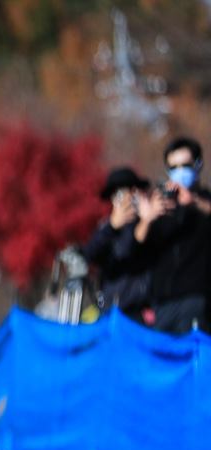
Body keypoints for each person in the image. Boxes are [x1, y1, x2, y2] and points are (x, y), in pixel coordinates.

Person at [130, 136, 211, 334]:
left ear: (198, 166)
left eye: (186, 165)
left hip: (197, 300)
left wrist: (193, 202)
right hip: (162, 305)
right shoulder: (162, 207)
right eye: (174, 167)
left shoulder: (204, 202)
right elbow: (136, 249)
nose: (180, 171)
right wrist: (147, 218)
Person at [83, 166, 151, 322]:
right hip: (113, 310)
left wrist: (148, 220)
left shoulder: (150, 225)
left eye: (131, 193)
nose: (126, 200)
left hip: (143, 310)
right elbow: (90, 254)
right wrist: (112, 226)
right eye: (119, 195)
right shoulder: (106, 229)